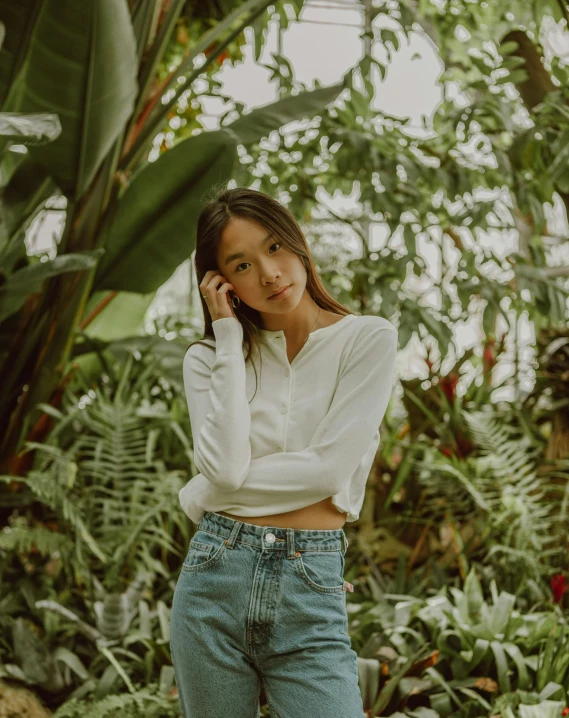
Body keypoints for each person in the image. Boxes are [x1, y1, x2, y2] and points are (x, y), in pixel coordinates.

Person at [170, 187, 398, 718]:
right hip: (214, 580)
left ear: (298, 243)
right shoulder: (208, 359)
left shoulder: (367, 340)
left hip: (309, 578)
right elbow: (225, 467)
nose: (270, 274)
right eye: (243, 264)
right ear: (221, 283)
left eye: (275, 248)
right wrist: (227, 336)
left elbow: (327, 471)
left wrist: (204, 489)